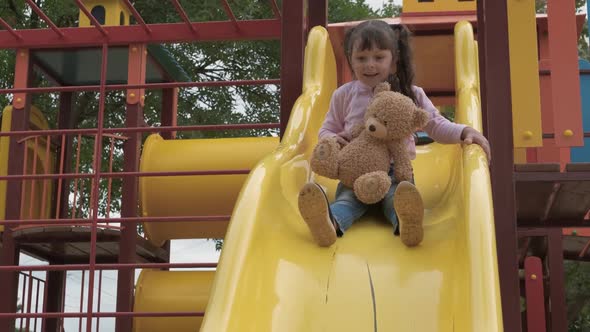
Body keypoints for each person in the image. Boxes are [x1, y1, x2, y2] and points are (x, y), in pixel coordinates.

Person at [297, 20, 491, 248]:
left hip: (395, 171)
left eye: (379, 57)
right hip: (355, 170)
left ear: (394, 59)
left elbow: (435, 124)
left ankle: (407, 222)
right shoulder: (343, 95)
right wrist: (330, 138)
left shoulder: (411, 94)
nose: (370, 65)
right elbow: (327, 128)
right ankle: (329, 223)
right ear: (351, 59)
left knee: (397, 198)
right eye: (361, 58)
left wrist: (464, 131)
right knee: (347, 201)